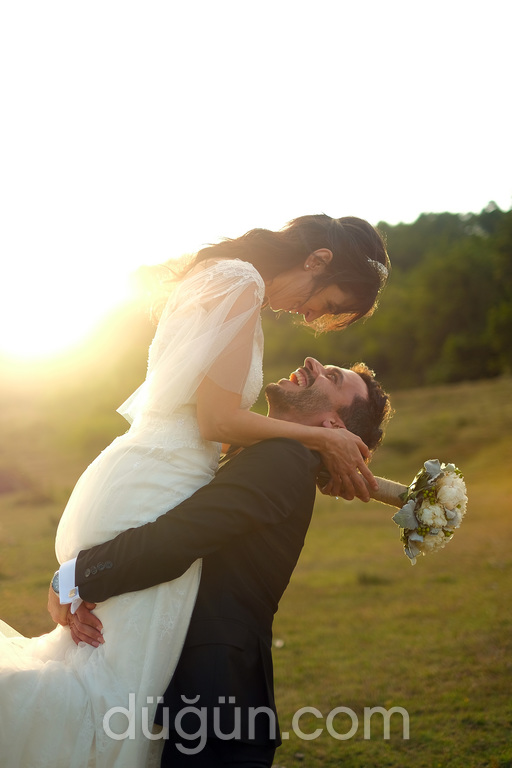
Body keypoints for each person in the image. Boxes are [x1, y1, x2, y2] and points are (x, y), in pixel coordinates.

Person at [0, 214, 389, 768]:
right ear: (318, 259)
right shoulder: (243, 284)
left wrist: (325, 455)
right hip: (153, 482)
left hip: (135, 473)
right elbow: (216, 420)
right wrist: (318, 441)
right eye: (325, 302)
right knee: (101, 706)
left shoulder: (225, 275)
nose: (310, 318)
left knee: (95, 682)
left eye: (324, 314)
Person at [51, 357, 392, 768]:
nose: (313, 362)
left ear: (334, 427)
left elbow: (178, 537)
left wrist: (72, 578)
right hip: (206, 699)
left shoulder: (283, 460)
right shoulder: (270, 455)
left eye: (332, 377)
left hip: (214, 698)